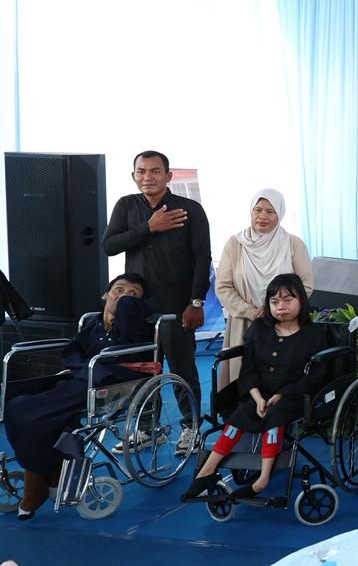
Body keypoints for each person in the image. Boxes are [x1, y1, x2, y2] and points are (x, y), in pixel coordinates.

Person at [5, 274, 150, 518]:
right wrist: (83, 369)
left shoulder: (136, 326)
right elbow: (72, 353)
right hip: (79, 379)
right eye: (118, 290)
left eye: (133, 294)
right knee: (15, 406)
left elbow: (124, 353)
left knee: (31, 418)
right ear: (105, 295)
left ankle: (36, 485)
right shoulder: (93, 324)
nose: (124, 296)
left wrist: (127, 306)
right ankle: (49, 472)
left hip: (108, 385)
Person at [183, 274, 327, 501]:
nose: (280, 307)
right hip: (259, 391)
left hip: (294, 394)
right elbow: (248, 370)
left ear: (301, 300)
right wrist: (257, 397)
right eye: (274, 301)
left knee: (275, 416)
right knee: (240, 414)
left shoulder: (315, 334)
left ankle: (263, 478)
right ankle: (207, 471)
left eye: (287, 300)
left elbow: (315, 376)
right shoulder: (260, 328)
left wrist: (281, 394)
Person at [102, 151, 210, 452]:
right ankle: (149, 429)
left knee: (182, 371)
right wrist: (149, 227)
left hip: (176, 307)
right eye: (141, 171)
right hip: (136, 310)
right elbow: (109, 246)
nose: (147, 177)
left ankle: (191, 429)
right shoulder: (126, 205)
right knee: (142, 369)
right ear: (133, 175)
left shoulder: (189, 209)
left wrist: (196, 302)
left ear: (168, 176)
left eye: (155, 171)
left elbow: (203, 257)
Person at [214, 190, 314, 391]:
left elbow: (306, 285)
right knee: (243, 380)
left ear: (280, 214)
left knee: (282, 380)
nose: (262, 216)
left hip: (286, 324)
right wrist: (251, 311)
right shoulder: (235, 244)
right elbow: (223, 287)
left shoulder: (293, 244)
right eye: (258, 210)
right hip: (245, 322)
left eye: (270, 211)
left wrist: (278, 309)